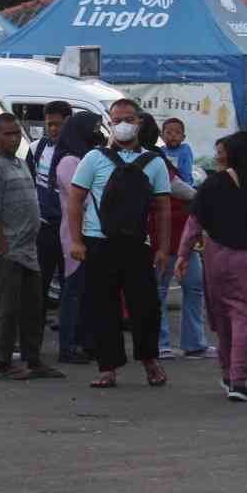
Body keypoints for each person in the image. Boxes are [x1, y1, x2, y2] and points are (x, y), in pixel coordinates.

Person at [177, 134, 247, 401]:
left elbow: (194, 223)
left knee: (223, 316)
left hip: (217, 258)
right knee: (244, 317)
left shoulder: (213, 185)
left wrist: (183, 255)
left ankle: (228, 373)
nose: (219, 155)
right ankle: (238, 381)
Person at [66, 98, 172, 388]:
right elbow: (75, 201)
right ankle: (107, 367)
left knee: (146, 306)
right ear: (109, 124)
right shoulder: (94, 158)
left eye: (129, 119)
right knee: (102, 306)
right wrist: (76, 241)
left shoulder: (155, 162)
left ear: (139, 122)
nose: (123, 125)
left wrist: (164, 248)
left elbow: (163, 208)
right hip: (99, 243)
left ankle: (151, 361)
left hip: (138, 244)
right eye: (117, 120)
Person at [0, 112, 62, 381]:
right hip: (9, 252)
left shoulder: (20, 164)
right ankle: (4, 363)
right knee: (8, 309)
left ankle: (33, 360)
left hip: (28, 250)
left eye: (17, 133)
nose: (14, 138)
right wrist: (4, 249)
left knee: (33, 309)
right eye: (8, 134)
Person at [143, 113, 208, 360]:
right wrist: (199, 197)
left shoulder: (166, 157)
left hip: (182, 234)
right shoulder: (149, 160)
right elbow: (177, 188)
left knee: (192, 285)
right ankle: (161, 344)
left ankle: (194, 343)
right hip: (162, 235)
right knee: (162, 289)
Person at [47, 110, 103, 365]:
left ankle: (82, 343)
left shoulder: (82, 158)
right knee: (73, 292)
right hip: (74, 233)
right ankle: (68, 346)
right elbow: (82, 196)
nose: (98, 134)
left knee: (84, 292)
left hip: (85, 231)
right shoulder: (70, 162)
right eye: (94, 129)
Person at [27, 100, 72, 322]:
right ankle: (33, 339)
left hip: (69, 230)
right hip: (43, 229)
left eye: (58, 124)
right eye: (49, 124)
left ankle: (68, 336)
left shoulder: (76, 151)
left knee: (69, 285)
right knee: (38, 286)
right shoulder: (37, 149)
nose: (53, 129)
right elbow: (27, 186)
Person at [159, 116, 195, 183]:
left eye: (178, 132)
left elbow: (186, 174)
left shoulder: (185, 150)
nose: (173, 135)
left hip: (182, 185)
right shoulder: (160, 151)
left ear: (183, 137)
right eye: (169, 133)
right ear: (162, 136)